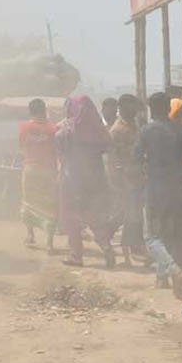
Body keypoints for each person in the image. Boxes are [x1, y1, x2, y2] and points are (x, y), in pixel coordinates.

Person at [136, 92, 182, 292]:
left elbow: (137, 159)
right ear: (169, 108)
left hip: (154, 189)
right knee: (166, 234)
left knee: (151, 236)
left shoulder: (146, 131)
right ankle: (162, 278)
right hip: (177, 189)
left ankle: (172, 269)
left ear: (151, 109)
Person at [56, 95, 118, 268]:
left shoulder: (65, 128)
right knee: (93, 216)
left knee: (71, 216)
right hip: (96, 181)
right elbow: (109, 148)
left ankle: (76, 255)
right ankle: (106, 247)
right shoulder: (99, 129)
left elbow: (60, 152)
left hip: (72, 180)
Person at [107, 94, 146, 265]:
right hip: (125, 180)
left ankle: (129, 249)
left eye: (135, 107)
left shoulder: (134, 125)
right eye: (131, 107)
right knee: (127, 215)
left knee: (131, 215)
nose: (134, 110)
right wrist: (119, 182)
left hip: (136, 177)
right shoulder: (117, 130)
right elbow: (113, 159)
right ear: (121, 108)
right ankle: (107, 237)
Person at [17, 98, 59, 252]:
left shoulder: (23, 127)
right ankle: (49, 243)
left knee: (29, 202)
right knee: (49, 205)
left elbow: (21, 145)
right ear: (44, 110)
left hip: (30, 169)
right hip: (49, 170)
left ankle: (30, 235)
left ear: (30, 111)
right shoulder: (53, 128)